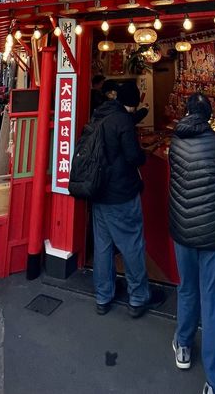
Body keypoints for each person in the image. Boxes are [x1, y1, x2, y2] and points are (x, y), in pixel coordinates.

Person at [168, 93, 215, 394]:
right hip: (212, 232)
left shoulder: (175, 142)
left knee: (187, 287)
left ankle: (183, 345)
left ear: (186, 112)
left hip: (182, 230)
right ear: (209, 114)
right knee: (212, 301)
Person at [90, 79, 163, 317]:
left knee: (103, 246)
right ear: (131, 103)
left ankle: (103, 296)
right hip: (121, 193)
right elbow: (133, 157)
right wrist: (144, 156)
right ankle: (139, 297)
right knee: (131, 244)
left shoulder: (99, 115)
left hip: (98, 191)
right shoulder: (123, 121)